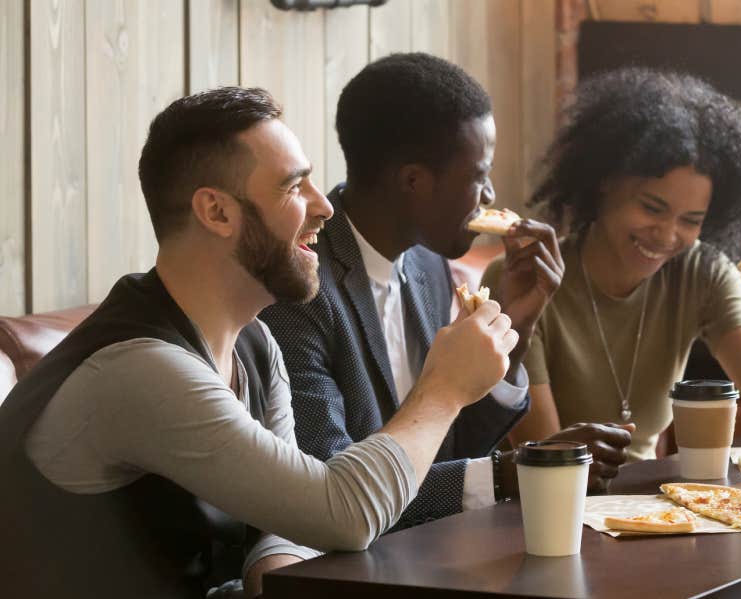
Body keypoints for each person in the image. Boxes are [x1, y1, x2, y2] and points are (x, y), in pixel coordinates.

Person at [0, 87, 517, 598]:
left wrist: (276, 575)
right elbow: (344, 514)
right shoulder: (140, 370)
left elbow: (284, 515)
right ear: (217, 213)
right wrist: (444, 387)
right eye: (294, 188)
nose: (325, 208)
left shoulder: (256, 340)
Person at [259, 52, 632, 530]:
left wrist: (517, 324)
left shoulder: (428, 263)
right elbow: (335, 490)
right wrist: (507, 475)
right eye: (478, 176)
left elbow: (451, 448)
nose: (491, 195)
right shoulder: (299, 288)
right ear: (413, 181)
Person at [487, 68, 741, 460]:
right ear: (604, 181)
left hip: (649, 507)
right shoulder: (525, 280)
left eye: (691, 221)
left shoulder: (701, 274)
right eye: (651, 208)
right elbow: (546, 460)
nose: (667, 235)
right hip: (545, 504)